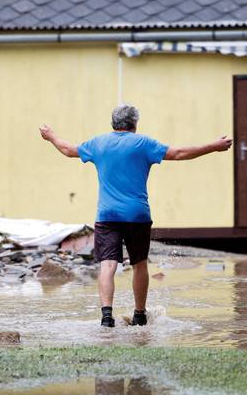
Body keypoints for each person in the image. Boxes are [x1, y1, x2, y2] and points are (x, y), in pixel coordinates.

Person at [39, 104, 232, 327]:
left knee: (107, 265)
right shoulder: (143, 144)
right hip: (137, 214)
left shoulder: (98, 143)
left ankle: (106, 316)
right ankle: (139, 314)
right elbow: (179, 154)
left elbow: (68, 150)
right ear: (135, 124)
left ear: (113, 123)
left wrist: (51, 136)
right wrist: (213, 146)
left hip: (107, 215)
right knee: (139, 264)